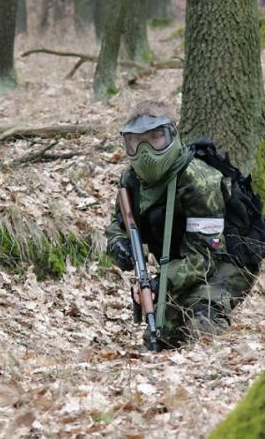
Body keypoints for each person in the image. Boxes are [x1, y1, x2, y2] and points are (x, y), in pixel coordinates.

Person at [106, 103, 255, 350]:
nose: (145, 152)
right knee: (159, 337)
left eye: (155, 138)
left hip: (228, 261)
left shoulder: (199, 181)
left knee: (202, 324)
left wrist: (162, 282)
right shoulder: (132, 179)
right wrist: (119, 245)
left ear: (172, 136)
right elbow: (120, 224)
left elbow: (203, 257)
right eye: (136, 142)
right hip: (179, 265)